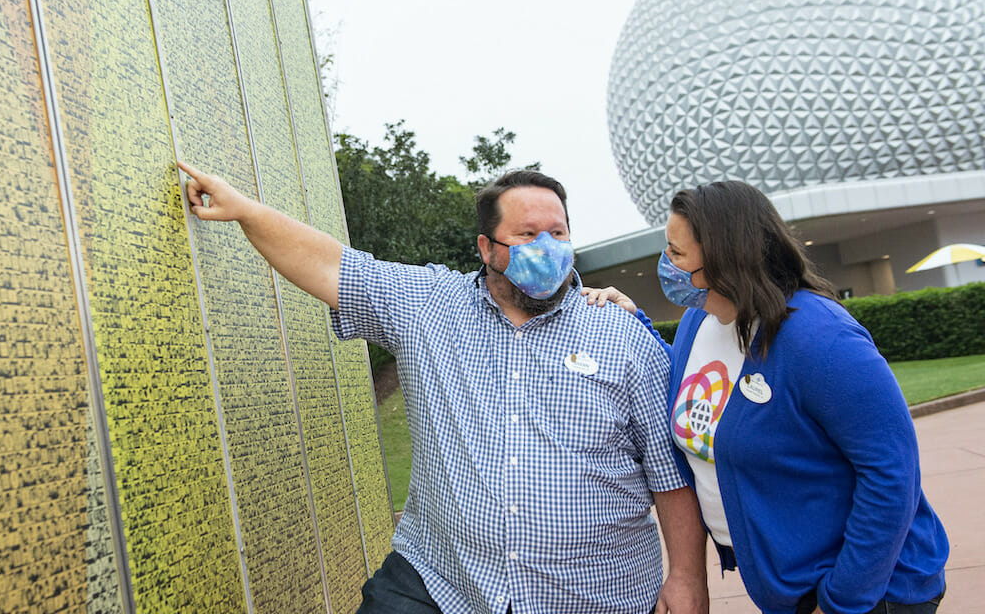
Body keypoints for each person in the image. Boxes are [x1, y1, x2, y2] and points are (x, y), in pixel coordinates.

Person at [177, 161, 708, 614]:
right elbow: (329, 263)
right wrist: (245, 209)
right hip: (440, 582)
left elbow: (669, 473)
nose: (547, 248)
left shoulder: (622, 335)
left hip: (593, 595)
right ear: (487, 246)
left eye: (559, 233)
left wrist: (687, 577)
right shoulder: (429, 305)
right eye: (527, 235)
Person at [584, 181, 949, 614]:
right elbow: (699, 388)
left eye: (677, 254)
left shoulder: (822, 338)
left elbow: (892, 473)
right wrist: (636, 323)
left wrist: (842, 599)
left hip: (870, 594)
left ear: (727, 258)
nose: (667, 266)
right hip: (791, 589)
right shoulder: (698, 322)